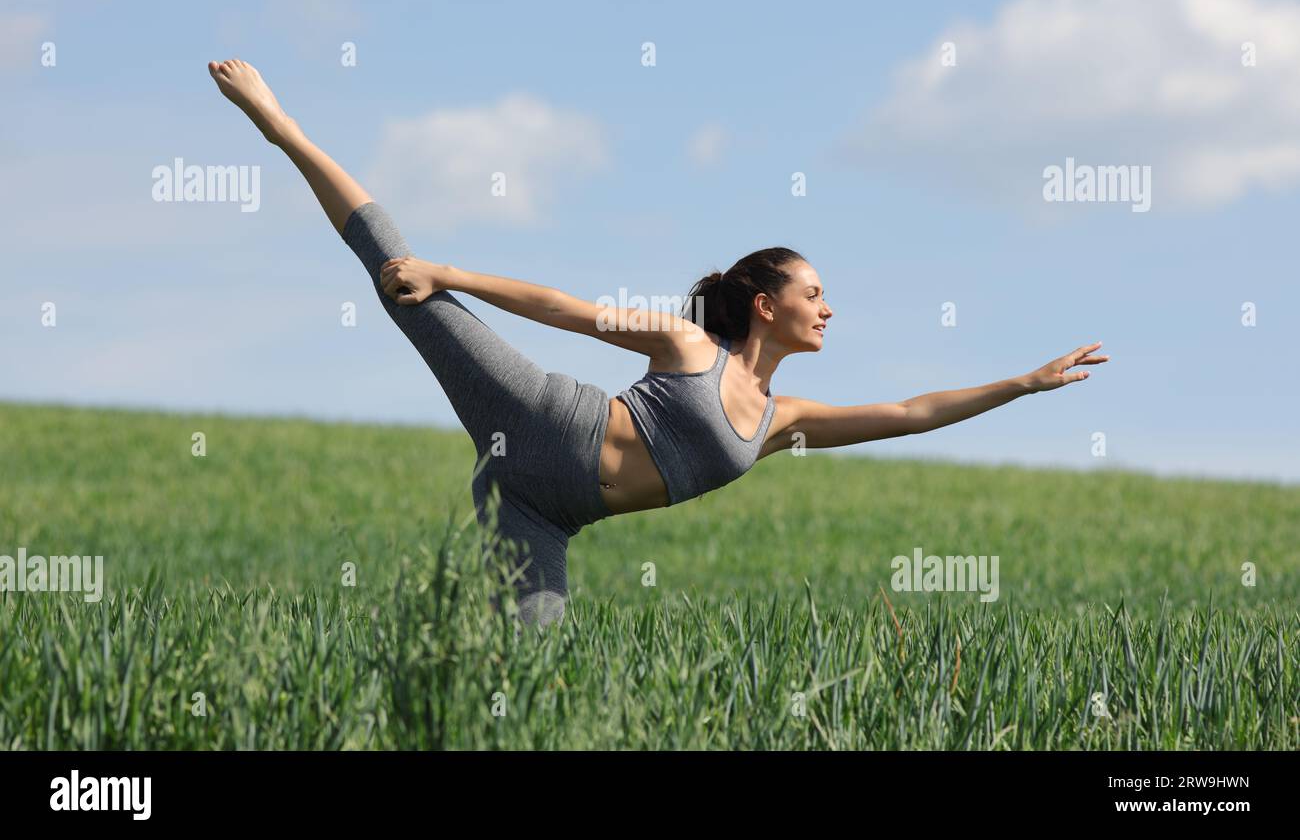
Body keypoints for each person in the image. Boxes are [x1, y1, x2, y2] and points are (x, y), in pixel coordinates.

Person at [208, 58, 1110, 627]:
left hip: (542, 516)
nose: (830, 309)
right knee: (399, 279)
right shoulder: (686, 348)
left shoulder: (780, 422)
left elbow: (911, 413)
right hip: (537, 417)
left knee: (524, 678)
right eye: (815, 293)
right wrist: (452, 274)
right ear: (764, 305)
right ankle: (279, 123)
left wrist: (1023, 384)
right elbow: (566, 310)